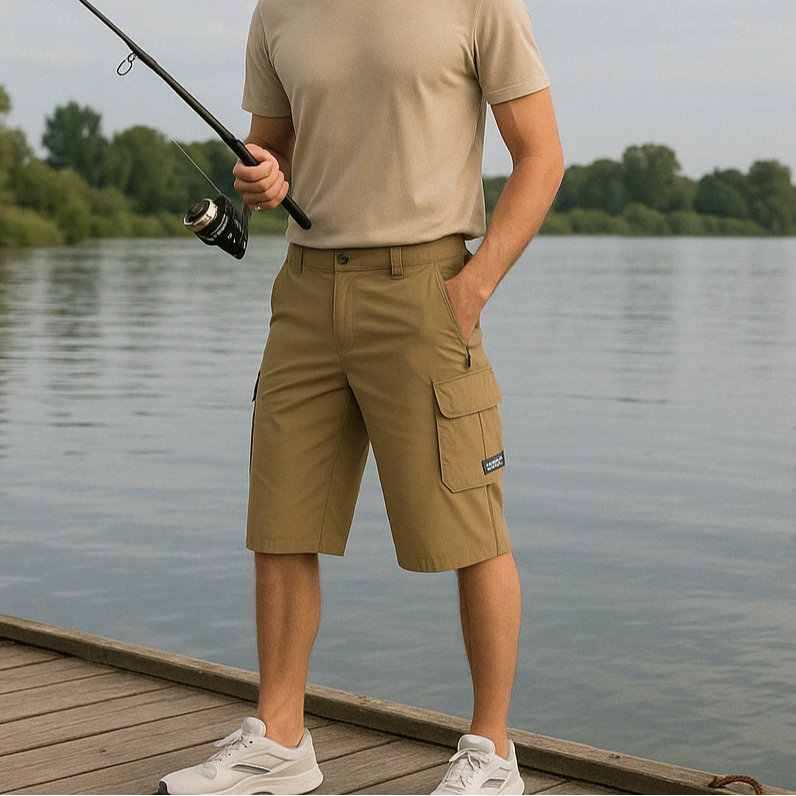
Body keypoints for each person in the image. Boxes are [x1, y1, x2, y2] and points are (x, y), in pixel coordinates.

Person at [159, 0, 563, 793]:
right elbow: (268, 151)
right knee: (281, 521)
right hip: (306, 289)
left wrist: (473, 289)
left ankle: (492, 754)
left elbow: (541, 156)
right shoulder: (277, 9)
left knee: (471, 524)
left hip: (427, 287)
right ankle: (279, 744)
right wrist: (259, 178)